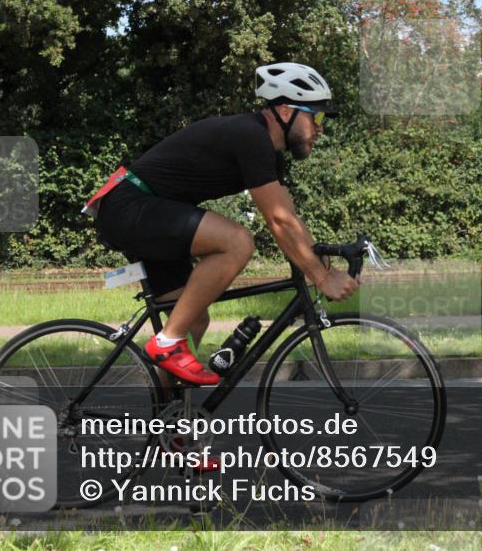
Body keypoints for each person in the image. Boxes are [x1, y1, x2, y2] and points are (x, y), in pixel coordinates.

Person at [90, 63, 360, 386]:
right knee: (237, 242)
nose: (320, 129)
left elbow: (288, 216)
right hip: (130, 205)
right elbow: (277, 221)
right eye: (315, 117)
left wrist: (323, 264)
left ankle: (169, 425)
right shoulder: (251, 135)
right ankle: (166, 342)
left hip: (144, 209)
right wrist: (320, 277)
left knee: (194, 319)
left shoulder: (267, 152)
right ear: (285, 110)